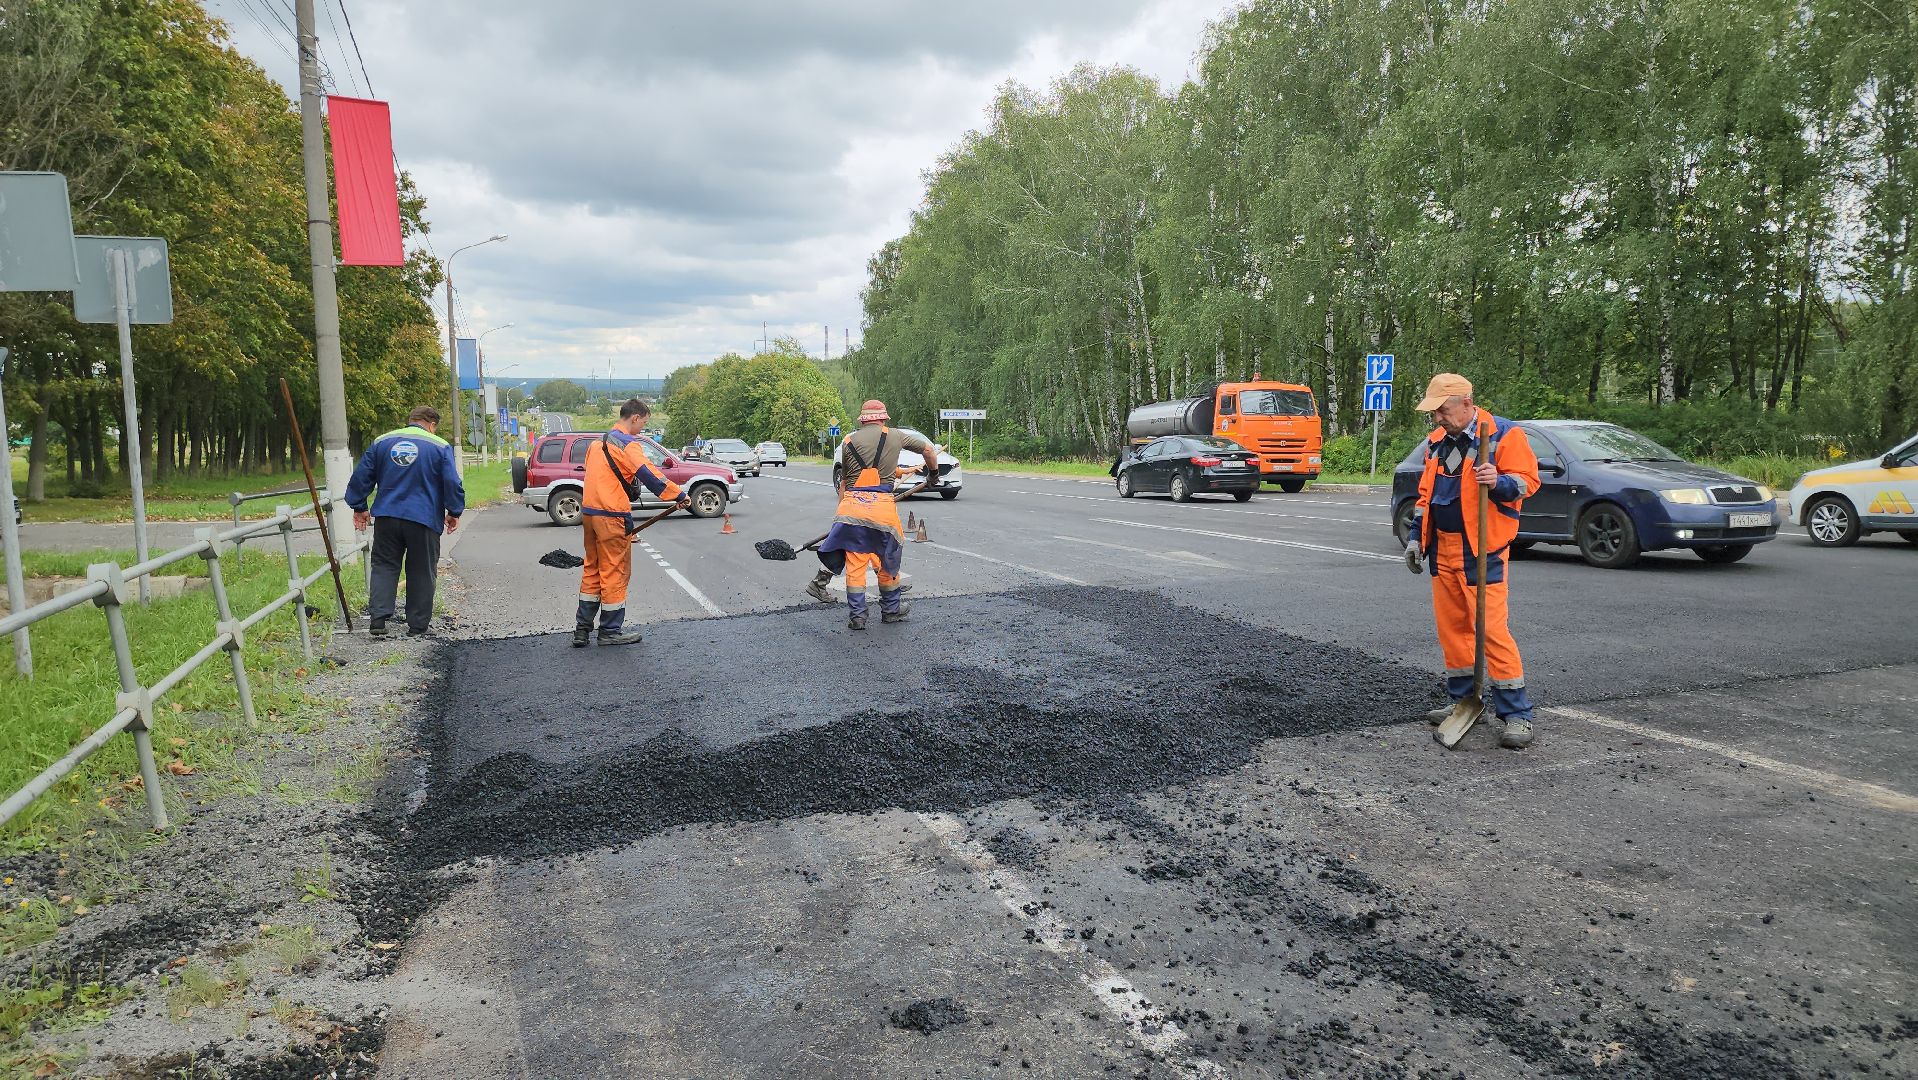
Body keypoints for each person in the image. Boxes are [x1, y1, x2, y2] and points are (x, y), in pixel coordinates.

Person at [1403, 374, 1542, 748]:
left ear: (1466, 403)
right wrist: (1417, 538)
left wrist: (1499, 481)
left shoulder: (1502, 436)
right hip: (1442, 548)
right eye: (1434, 413)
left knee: (1490, 630)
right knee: (1454, 629)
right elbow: (1424, 495)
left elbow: (1529, 482)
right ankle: (1463, 700)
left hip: (1482, 549)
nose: (1437, 419)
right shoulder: (1436, 443)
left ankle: (1517, 715)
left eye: (1442, 411)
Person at [806, 399, 938, 630]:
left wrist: (841, 517)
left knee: (856, 565)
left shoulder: (848, 441)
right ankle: (891, 611)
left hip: (851, 508)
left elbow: (845, 483)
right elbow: (928, 450)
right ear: (883, 418)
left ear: (863, 420)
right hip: (882, 510)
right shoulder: (895, 435)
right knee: (888, 559)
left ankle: (857, 617)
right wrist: (933, 474)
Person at [576, 398, 688, 647]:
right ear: (634, 417)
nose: (643, 429)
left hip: (589, 514)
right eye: (643, 423)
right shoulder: (628, 444)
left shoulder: (597, 443)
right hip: (612, 515)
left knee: (592, 569)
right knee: (614, 570)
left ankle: (582, 631)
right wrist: (678, 495)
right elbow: (649, 474)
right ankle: (610, 632)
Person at [346, 406, 464, 638]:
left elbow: (362, 476)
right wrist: (454, 511)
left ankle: (378, 620)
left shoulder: (382, 441)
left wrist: (359, 506)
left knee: (384, 565)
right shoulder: (439, 446)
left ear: (410, 421)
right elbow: (451, 481)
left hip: (387, 517)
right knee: (421, 569)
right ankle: (417, 626)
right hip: (423, 518)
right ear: (432, 424)